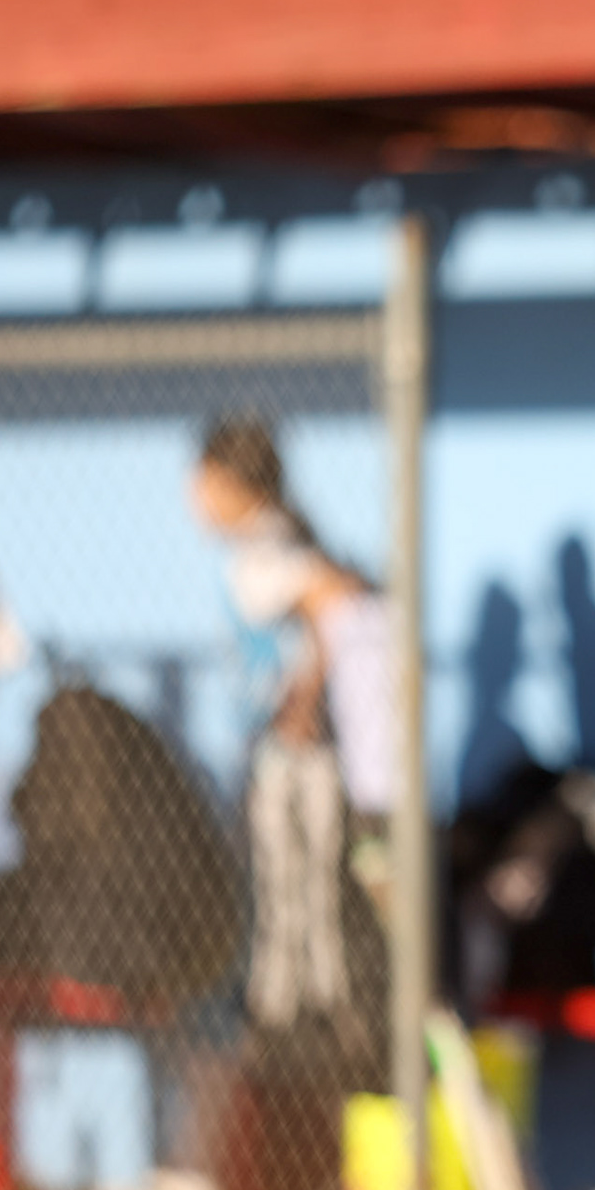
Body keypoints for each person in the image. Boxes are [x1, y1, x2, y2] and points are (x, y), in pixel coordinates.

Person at [190, 415, 393, 1029]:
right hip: (274, 745)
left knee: (297, 886)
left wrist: (304, 697)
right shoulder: (260, 547)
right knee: (283, 882)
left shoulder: (269, 546)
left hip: (295, 751)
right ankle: (289, 999)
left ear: (232, 484)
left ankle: (296, 1008)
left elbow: (338, 595)